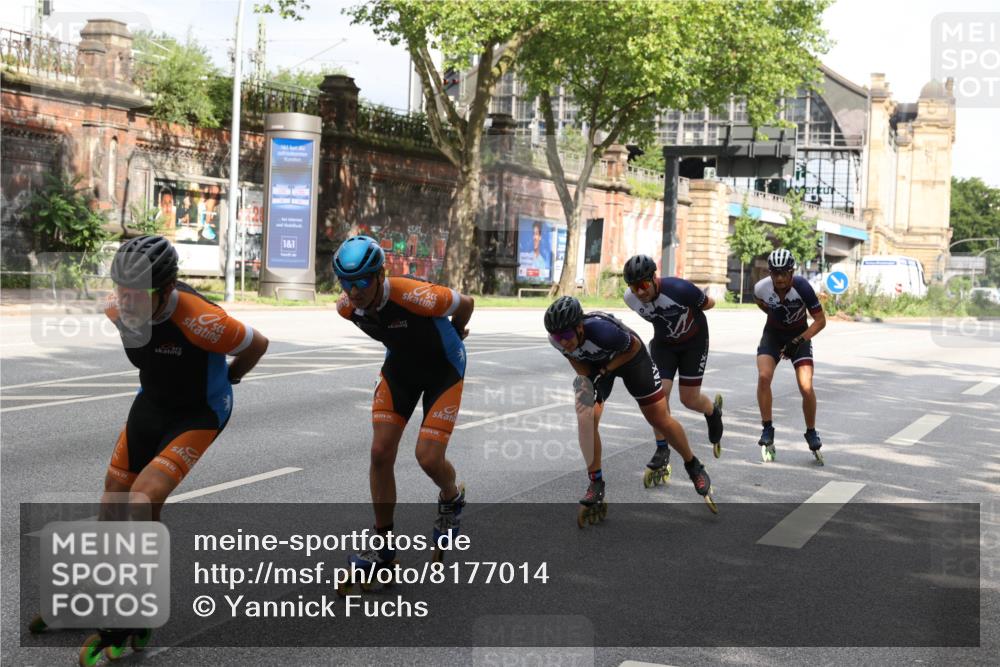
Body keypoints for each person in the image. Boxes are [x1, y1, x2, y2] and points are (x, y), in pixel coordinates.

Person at [74, 235, 268, 660]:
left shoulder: (202, 319)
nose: (125, 302)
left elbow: (258, 344)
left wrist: (232, 377)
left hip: (198, 412)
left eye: (136, 294)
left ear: (165, 290)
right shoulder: (116, 308)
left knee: (143, 499)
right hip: (153, 404)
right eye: (120, 290)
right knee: (112, 502)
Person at [333, 235, 475, 578]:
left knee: (427, 457)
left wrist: (456, 332)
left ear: (381, 275)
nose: (355, 291)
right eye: (346, 283)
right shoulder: (347, 308)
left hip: (444, 369)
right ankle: (382, 546)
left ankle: (451, 497)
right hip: (401, 370)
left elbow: (466, 303)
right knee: (380, 452)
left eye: (363, 281)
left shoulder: (414, 294)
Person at [544, 296, 716, 525]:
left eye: (566, 336)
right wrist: (586, 381)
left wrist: (605, 370)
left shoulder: (603, 331)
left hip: (631, 359)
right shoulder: (557, 341)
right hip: (597, 365)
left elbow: (632, 346)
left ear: (579, 326)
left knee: (658, 418)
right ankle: (595, 483)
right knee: (585, 417)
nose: (562, 341)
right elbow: (575, 359)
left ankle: (693, 465)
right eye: (557, 337)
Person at [622, 255, 725, 472]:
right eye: (633, 287)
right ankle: (662, 449)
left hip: (693, 343)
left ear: (654, 278)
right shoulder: (630, 299)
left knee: (689, 399)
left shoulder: (680, 289)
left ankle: (712, 411)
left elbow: (710, 303)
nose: (639, 292)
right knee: (659, 396)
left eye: (643, 285)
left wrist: (691, 311)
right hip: (664, 345)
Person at [753, 248, 826, 464]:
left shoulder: (803, 287)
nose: (780, 278)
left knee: (805, 386)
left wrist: (798, 341)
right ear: (770, 273)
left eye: (784, 273)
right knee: (764, 376)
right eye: (775, 273)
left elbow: (821, 321)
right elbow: (761, 303)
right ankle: (767, 428)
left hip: (800, 337)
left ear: (792, 272)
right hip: (773, 336)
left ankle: (811, 431)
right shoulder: (761, 288)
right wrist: (776, 317)